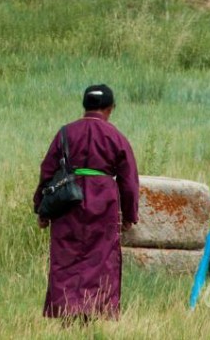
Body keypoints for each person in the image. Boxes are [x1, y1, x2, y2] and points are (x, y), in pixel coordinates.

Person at [33, 84, 140, 321]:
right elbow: (129, 181)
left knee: (66, 259)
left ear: (84, 106)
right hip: (104, 204)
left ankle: (67, 313)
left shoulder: (65, 133)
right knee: (102, 259)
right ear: (110, 108)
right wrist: (130, 215)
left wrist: (41, 209)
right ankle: (97, 312)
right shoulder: (116, 137)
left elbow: (47, 171)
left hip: (66, 204)